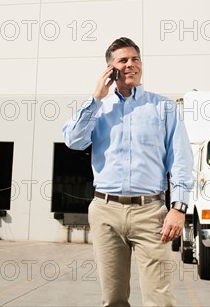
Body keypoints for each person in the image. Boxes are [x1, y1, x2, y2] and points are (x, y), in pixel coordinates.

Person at [62, 37, 193, 307]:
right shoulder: (99, 110)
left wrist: (178, 208)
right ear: (111, 69)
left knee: (160, 299)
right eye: (123, 60)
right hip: (105, 211)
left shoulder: (164, 107)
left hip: (150, 213)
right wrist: (96, 97)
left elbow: (180, 160)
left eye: (135, 59)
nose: (131, 64)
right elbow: (73, 140)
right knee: (113, 299)